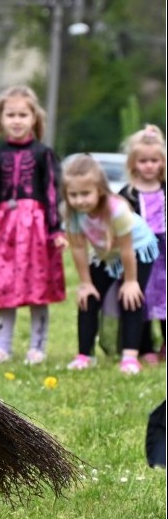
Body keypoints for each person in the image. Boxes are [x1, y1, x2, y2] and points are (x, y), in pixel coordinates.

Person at [0, 85, 67, 366]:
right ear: (0, 119)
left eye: (23, 114)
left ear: (34, 118)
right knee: (4, 284)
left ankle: (37, 346)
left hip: (36, 230)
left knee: (38, 286)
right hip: (4, 229)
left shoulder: (43, 154)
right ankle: (3, 346)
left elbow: (51, 192)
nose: (16, 120)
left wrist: (55, 228)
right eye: (10, 114)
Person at [63, 153, 159, 373]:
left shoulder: (117, 211)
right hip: (107, 254)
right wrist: (86, 283)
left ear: (100, 190)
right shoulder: (74, 214)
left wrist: (131, 281)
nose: (79, 200)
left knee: (131, 299)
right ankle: (84, 355)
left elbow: (127, 249)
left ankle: (130, 357)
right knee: (87, 299)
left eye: (85, 193)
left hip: (137, 250)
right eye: (73, 195)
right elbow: (78, 248)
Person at [119, 124, 167, 365]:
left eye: (154, 161)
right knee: (143, 298)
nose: (149, 165)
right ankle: (144, 346)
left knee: (164, 298)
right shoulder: (127, 193)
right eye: (143, 161)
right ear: (133, 163)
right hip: (141, 255)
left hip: (165, 255)